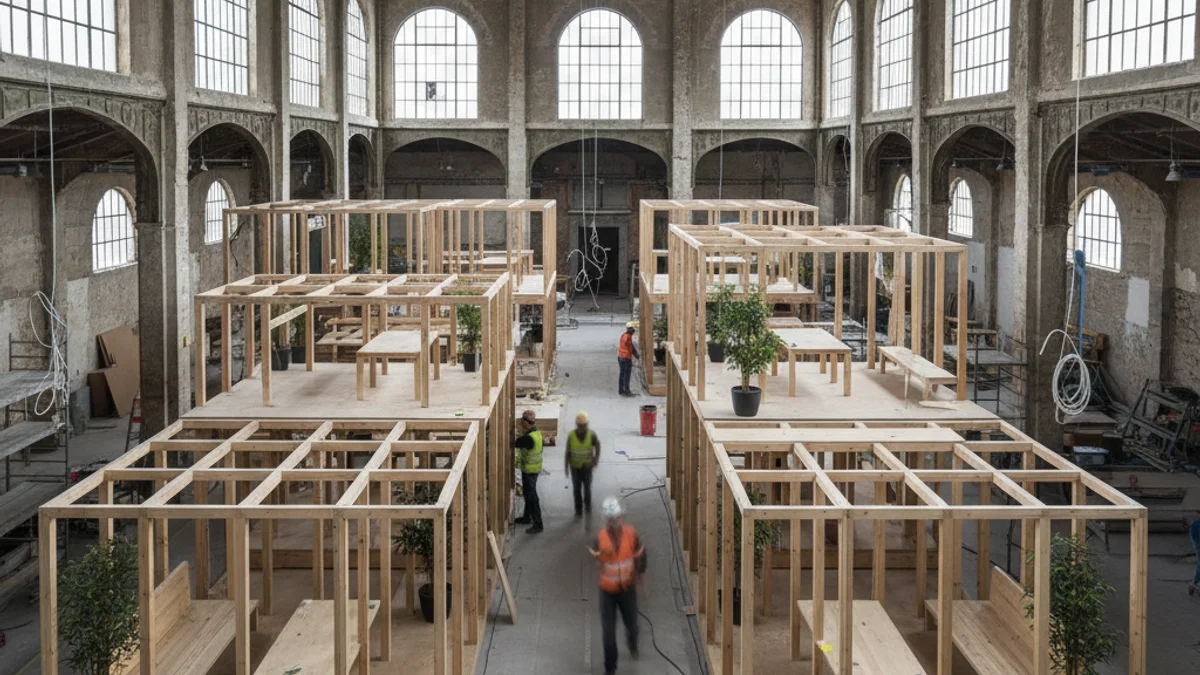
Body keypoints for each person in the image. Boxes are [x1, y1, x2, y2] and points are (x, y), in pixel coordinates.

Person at [590, 497, 645, 675]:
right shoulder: (600, 539)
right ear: (606, 520)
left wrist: (640, 572)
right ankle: (610, 668)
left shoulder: (631, 534)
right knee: (608, 633)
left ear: (621, 517)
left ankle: (632, 642)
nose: (615, 522)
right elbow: (598, 560)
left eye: (617, 518)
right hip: (608, 592)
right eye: (611, 519)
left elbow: (640, 553)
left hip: (627, 589)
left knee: (631, 623)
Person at [565, 411, 601, 516]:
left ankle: (588, 506)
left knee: (587, 488)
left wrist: (595, 461)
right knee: (576, 489)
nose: (582, 427)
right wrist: (566, 466)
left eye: (584, 425)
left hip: (587, 467)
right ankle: (578, 510)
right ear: (577, 424)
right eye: (580, 425)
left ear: (587, 424)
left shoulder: (591, 435)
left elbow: (597, 446)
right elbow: (568, 451)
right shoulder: (571, 435)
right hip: (575, 467)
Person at [513, 410, 544, 534]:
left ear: (525, 422)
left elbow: (515, 443)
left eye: (522, 420)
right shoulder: (537, 433)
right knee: (527, 493)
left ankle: (538, 523)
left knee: (532, 496)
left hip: (530, 470)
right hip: (533, 469)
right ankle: (527, 517)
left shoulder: (528, 438)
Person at [617, 323, 639, 396]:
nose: (633, 331)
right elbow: (631, 347)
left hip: (620, 357)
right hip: (625, 358)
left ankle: (621, 390)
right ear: (630, 329)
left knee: (622, 374)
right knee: (627, 375)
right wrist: (636, 355)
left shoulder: (623, 335)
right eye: (632, 329)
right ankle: (626, 390)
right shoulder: (628, 337)